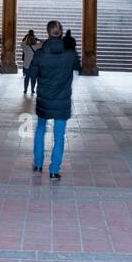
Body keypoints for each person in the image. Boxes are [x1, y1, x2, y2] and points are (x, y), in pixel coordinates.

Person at [30, 19, 81, 181]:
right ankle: (53, 170)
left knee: (40, 130)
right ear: (61, 33)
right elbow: (79, 68)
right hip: (62, 100)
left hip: (44, 99)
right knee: (59, 135)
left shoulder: (39, 53)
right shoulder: (70, 54)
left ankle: (38, 164)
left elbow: (31, 75)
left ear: (48, 33)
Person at [21, 29, 38, 95]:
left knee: (27, 78)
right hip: (34, 65)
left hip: (27, 65)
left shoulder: (25, 46)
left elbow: (22, 42)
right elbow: (44, 43)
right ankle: (32, 90)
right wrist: (37, 39)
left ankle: (25, 90)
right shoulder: (37, 46)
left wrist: (26, 37)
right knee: (33, 78)